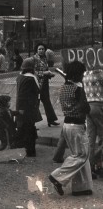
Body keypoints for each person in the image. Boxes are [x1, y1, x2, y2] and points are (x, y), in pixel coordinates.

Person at [49, 61, 93, 197]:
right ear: (78, 74)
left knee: (78, 156)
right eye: (82, 73)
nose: (83, 76)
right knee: (81, 155)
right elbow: (86, 108)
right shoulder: (78, 89)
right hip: (77, 125)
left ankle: (81, 187)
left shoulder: (64, 88)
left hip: (67, 125)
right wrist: (84, 90)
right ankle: (57, 177)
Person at [15, 57, 41, 157]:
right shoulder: (30, 78)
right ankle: (30, 151)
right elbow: (36, 91)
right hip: (29, 108)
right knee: (29, 129)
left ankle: (21, 147)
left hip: (21, 107)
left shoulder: (20, 77)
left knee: (22, 128)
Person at [33, 43, 59, 127]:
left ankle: (51, 120)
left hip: (44, 83)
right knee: (35, 103)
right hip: (36, 84)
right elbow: (33, 72)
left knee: (47, 102)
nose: (41, 51)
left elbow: (46, 70)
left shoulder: (44, 59)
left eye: (42, 49)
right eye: (39, 49)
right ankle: (31, 123)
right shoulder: (34, 59)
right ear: (36, 50)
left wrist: (49, 74)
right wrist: (44, 73)